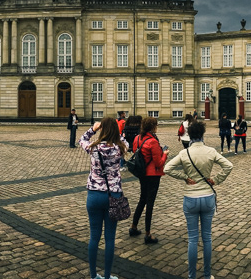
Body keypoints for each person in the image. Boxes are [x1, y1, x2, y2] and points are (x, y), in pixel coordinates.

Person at [164, 121, 233, 279]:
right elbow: (228, 166)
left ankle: (192, 276)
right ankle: (207, 275)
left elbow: (167, 168)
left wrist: (184, 177)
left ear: (189, 135)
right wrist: (216, 179)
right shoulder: (211, 151)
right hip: (207, 197)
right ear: (203, 134)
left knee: (192, 239)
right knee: (207, 238)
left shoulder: (184, 153)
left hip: (191, 198)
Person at [80, 117, 126, 279]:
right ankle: (107, 276)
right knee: (110, 238)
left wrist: (93, 129)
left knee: (94, 236)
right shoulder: (120, 148)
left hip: (94, 195)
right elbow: (125, 141)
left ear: (102, 130)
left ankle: (94, 276)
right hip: (113, 195)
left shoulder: (93, 148)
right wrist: (118, 133)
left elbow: (82, 139)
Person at [129, 117, 168, 245]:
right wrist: (165, 154)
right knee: (150, 203)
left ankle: (134, 227)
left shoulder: (137, 138)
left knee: (142, 199)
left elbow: (136, 152)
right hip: (153, 175)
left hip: (142, 173)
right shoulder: (153, 142)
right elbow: (159, 163)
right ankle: (148, 234)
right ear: (153, 127)